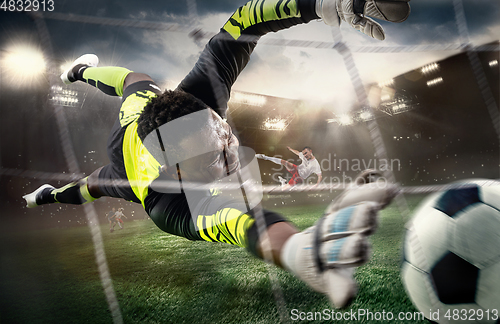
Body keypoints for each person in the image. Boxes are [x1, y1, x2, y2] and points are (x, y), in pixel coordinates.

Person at [22, 0, 409, 308]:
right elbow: (242, 222)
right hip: (126, 170)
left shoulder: (196, 97)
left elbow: (244, 21)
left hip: (145, 110)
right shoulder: (166, 205)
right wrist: (294, 247)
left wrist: (322, 5)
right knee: (91, 186)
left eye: (218, 130)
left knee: (136, 80)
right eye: (211, 157)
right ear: (178, 174)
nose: (229, 148)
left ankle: (78, 72)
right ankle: (43, 194)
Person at [257, 146, 322, 186]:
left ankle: (283, 183)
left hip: (299, 178)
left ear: (310, 151)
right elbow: (297, 152)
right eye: (303, 154)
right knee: (284, 162)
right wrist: (290, 149)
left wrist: (317, 185)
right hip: (296, 169)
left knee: (284, 189)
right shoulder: (304, 155)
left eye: (306, 153)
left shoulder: (315, 164)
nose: (304, 155)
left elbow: (320, 176)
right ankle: (265, 157)